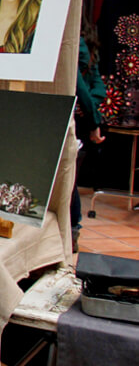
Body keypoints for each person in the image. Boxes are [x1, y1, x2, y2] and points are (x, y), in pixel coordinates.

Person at [70, 17, 106, 250]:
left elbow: (82, 86)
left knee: (68, 177)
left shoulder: (73, 43)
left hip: (74, 117)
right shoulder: (87, 45)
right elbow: (96, 88)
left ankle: (73, 229)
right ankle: (73, 231)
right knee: (70, 177)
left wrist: (91, 118)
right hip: (82, 117)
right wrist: (92, 116)